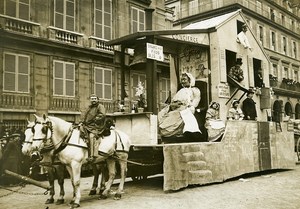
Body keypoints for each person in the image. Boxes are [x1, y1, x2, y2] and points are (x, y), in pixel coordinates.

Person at [158, 72, 201, 138]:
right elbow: (173, 101)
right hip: (175, 108)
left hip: (184, 108)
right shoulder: (181, 90)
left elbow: (195, 101)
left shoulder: (195, 90)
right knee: (161, 114)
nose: (183, 81)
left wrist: (189, 107)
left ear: (189, 80)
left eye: (184, 79)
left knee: (174, 116)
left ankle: (169, 131)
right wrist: (172, 105)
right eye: (182, 80)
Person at [81, 94, 106, 162]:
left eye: (95, 99)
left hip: (96, 126)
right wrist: (82, 122)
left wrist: (94, 120)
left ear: (97, 100)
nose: (93, 100)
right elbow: (85, 116)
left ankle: (92, 155)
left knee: (91, 136)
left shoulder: (100, 106)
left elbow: (102, 115)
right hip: (88, 126)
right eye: (92, 99)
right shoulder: (89, 107)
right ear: (90, 100)